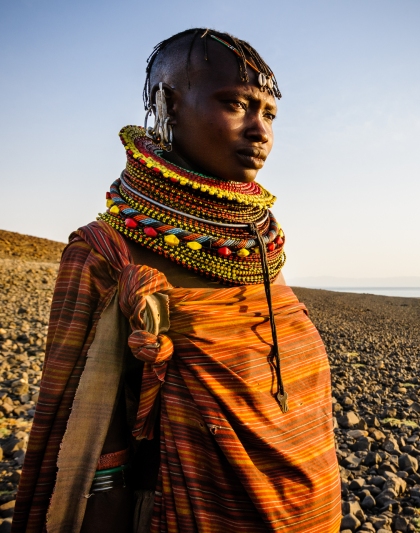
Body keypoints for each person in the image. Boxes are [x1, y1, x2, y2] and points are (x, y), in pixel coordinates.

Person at [12, 29, 341, 533]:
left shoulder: (254, 245)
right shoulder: (106, 252)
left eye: (269, 114)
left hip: (309, 504)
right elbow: (89, 426)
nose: (261, 131)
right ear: (168, 103)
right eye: (235, 104)